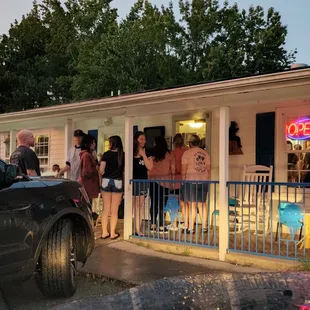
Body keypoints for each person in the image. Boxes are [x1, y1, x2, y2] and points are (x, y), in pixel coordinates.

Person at [181, 134, 211, 234]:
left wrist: (182, 181)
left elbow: (183, 170)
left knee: (192, 205)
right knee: (202, 204)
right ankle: (204, 227)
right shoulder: (205, 153)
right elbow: (209, 169)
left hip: (190, 181)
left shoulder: (187, 153)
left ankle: (190, 228)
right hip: (204, 181)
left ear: (190, 143)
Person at [148, 136, 175, 233]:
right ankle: (161, 226)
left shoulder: (152, 154)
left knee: (154, 203)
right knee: (162, 204)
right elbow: (173, 170)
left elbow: (148, 168)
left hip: (152, 182)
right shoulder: (169, 154)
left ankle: (152, 225)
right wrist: (172, 183)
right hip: (165, 182)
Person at [99, 136, 124, 240]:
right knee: (114, 210)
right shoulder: (122, 155)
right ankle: (113, 233)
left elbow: (101, 170)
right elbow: (124, 171)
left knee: (106, 209)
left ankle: (104, 232)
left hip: (106, 181)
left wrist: (105, 174)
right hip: (118, 181)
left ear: (112, 143)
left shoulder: (106, 154)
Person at [132, 131, 153, 236]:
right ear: (136, 140)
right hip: (132, 182)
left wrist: (144, 155)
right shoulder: (130, 152)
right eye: (141, 139)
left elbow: (150, 167)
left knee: (139, 206)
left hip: (142, 181)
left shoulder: (147, 152)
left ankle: (137, 229)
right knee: (130, 206)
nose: (143, 141)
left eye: (144, 139)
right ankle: (129, 227)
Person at [171, 134, 188, 229]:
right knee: (184, 202)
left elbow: (173, 167)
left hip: (176, 179)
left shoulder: (173, 152)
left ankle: (174, 224)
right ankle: (186, 223)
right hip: (185, 179)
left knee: (174, 202)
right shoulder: (187, 151)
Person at [78, 134, 100, 202]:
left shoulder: (88, 154)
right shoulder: (86, 155)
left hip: (88, 186)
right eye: (93, 142)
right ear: (87, 144)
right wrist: (96, 169)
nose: (94, 144)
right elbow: (87, 172)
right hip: (89, 186)